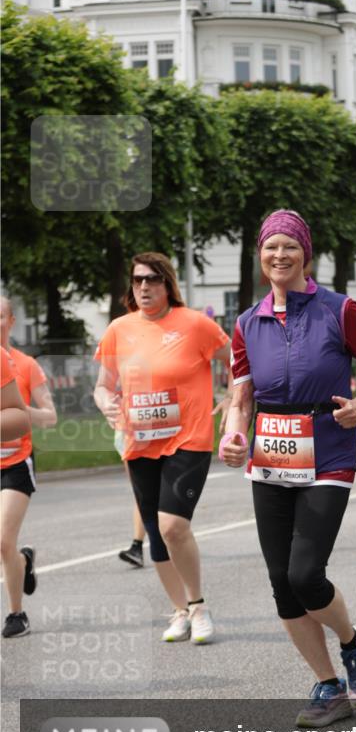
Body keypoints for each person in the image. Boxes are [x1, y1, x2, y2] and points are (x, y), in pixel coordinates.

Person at [222, 210, 356, 727]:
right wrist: (233, 433)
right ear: (260, 255)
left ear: (306, 254)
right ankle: (327, 685)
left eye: (290, 247)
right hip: (270, 457)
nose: (280, 256)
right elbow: (240, 396)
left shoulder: (338, 310)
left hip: (327, 453)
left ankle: (352, 642)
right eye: (271, 247)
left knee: (305, 573)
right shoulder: (246, 322)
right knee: (282, 582)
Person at [94, 252, 230, 643]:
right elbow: (104, 384)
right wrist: (106, 402)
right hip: (139, 441)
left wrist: (235, 397)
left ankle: (199, 606)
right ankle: (179, 610)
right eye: (137, 280)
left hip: (189, 439)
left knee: (173, 525)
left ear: (167, 284)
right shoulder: (119, 329)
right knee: (155, 532)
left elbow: (236, 362)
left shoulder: (195, 325)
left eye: (152, 280)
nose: (144, 287)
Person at [1, 298, 57, 638]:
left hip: (16, 462)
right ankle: (22, 561)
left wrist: (20, 411)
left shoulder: (25, 365)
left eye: (0, 316)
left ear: (11, 320)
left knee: (3, 539)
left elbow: (50, 416)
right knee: (7, 546)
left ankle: (16, 614)